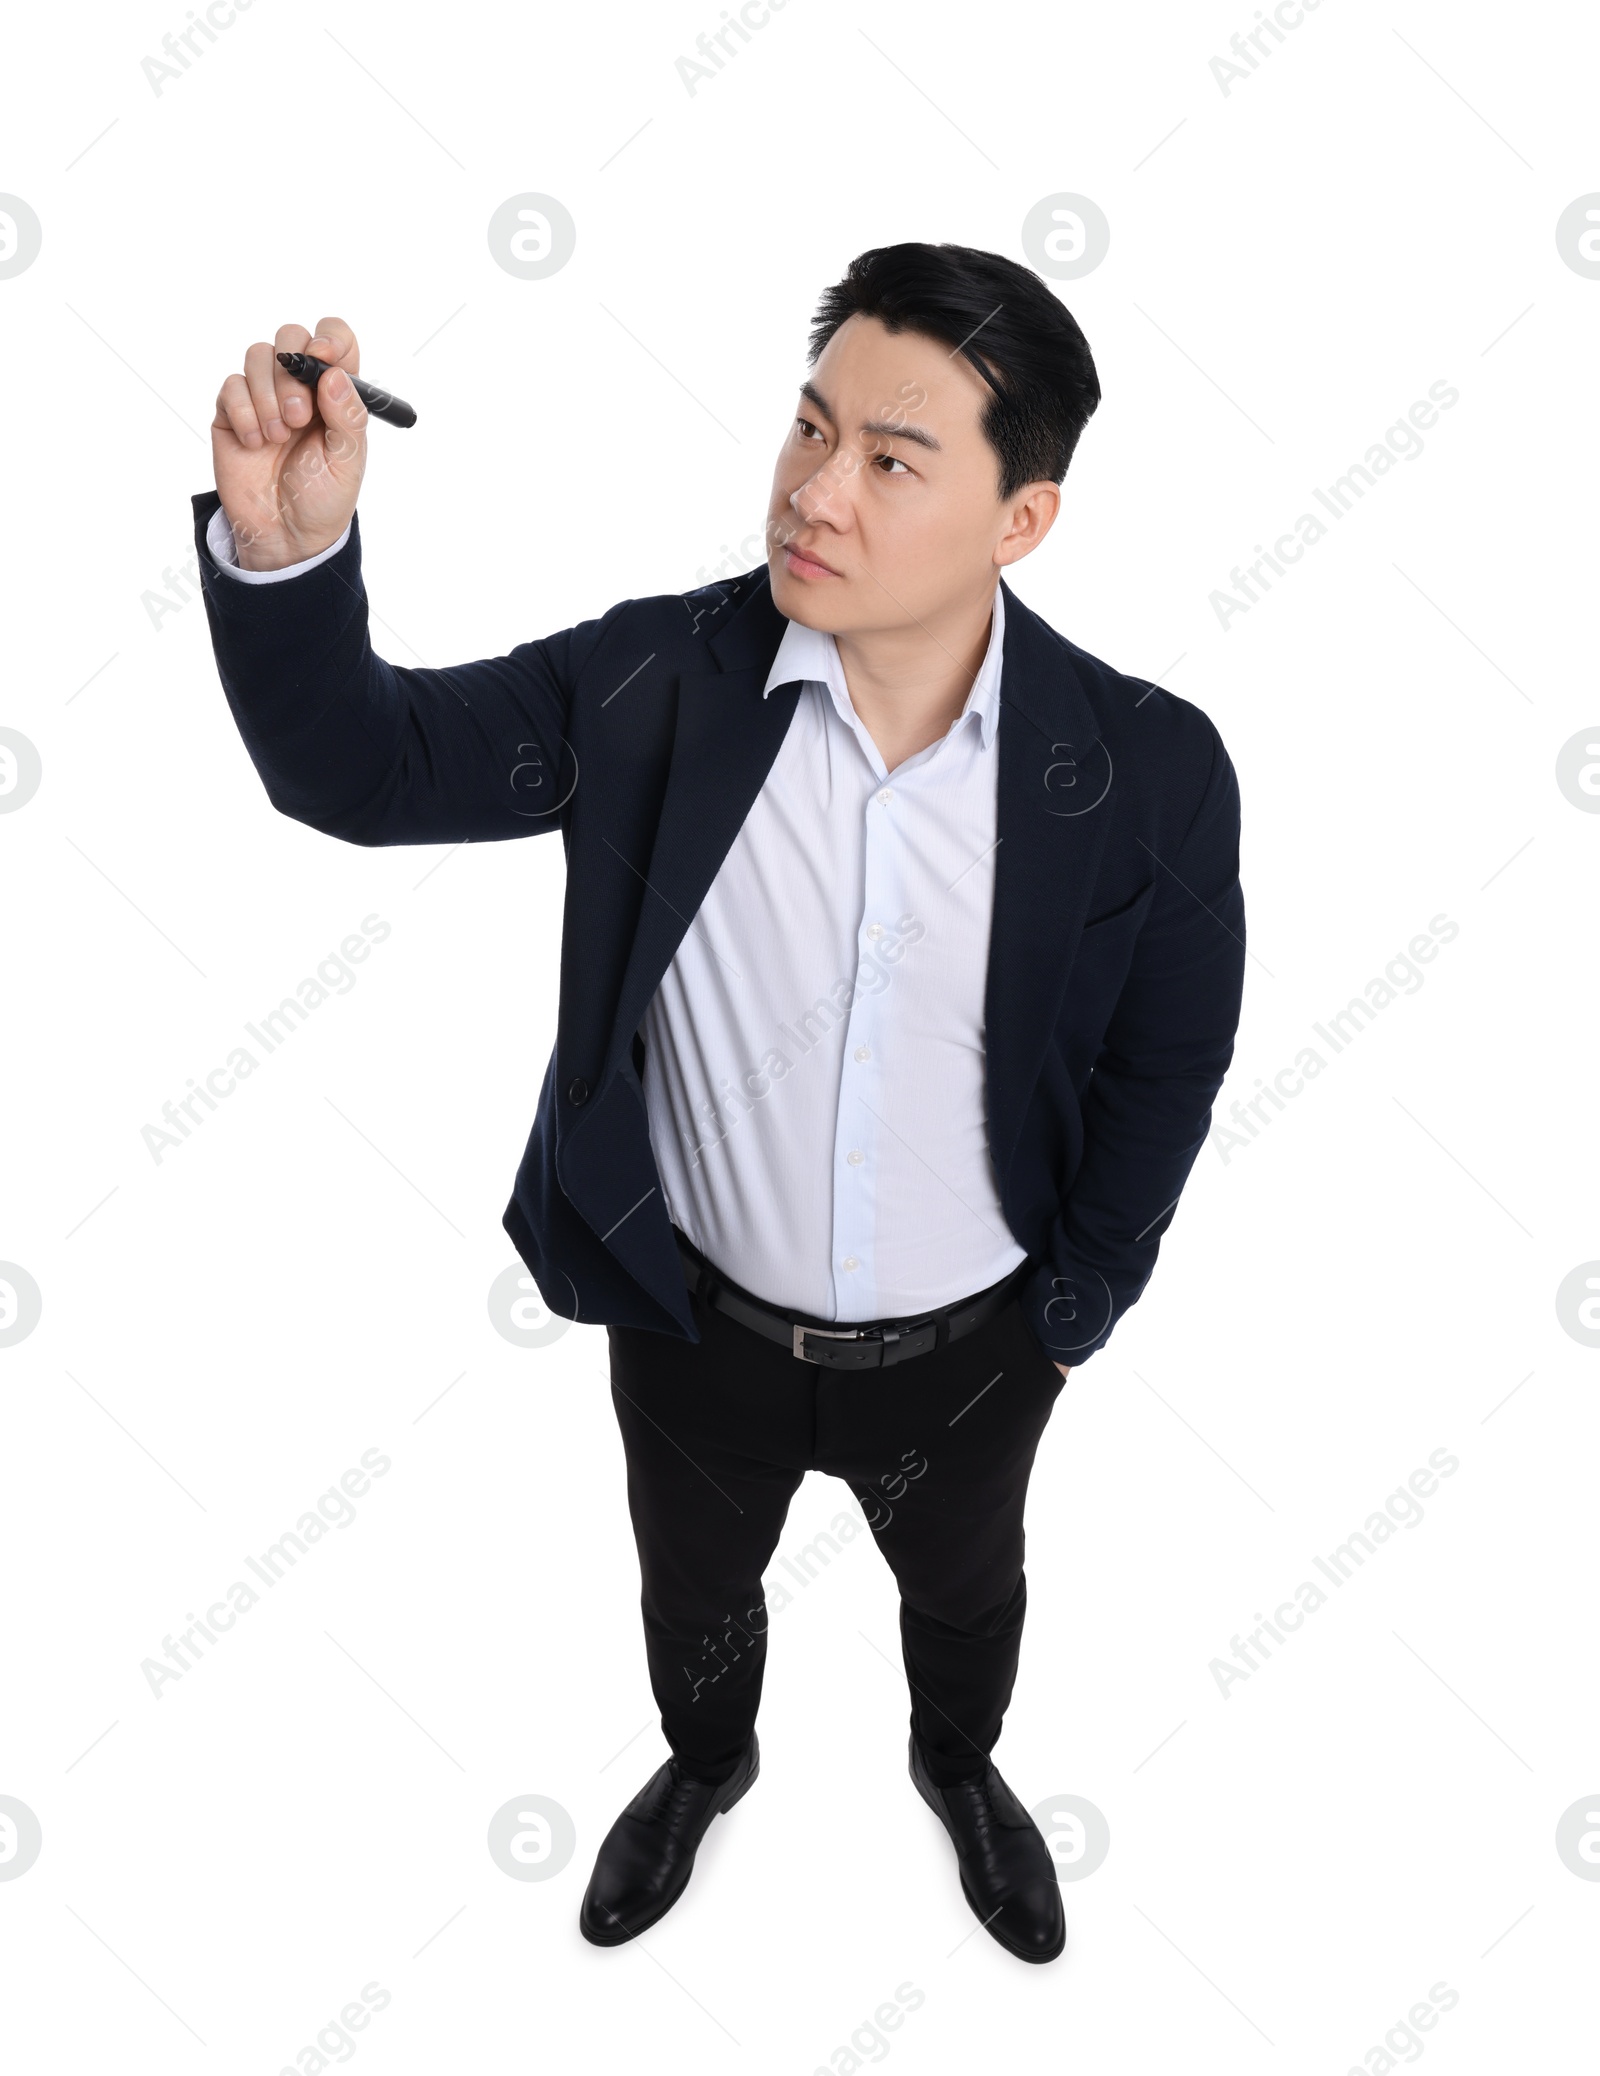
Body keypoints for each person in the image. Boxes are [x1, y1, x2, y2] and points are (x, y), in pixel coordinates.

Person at [195, 242, 1245, 1965]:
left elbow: (1168, 1058)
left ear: (1021, 519)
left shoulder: (1148, 766)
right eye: (809, 429)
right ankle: (706, 1764)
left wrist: (1077, 1304)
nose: (816, 493)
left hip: (980, 1344)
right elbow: (361, 768)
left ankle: (958, 1766)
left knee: (969, 1598)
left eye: (892, 462)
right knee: (691, 1598)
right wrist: (292, 551)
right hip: (695, 1330)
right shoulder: (653, 685)